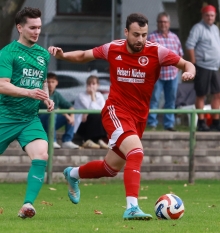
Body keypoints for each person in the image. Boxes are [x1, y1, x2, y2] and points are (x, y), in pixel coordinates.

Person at [48, 13, 195, 220]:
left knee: (110, 168)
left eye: (144, 35)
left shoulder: (157, 52)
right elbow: (83, 55)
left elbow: (187, 64)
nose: (141, 40)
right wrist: (63, 56)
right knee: (136, 152)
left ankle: (72, 174)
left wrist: (189, 72)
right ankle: (132, 207)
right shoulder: (113, 48)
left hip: (138, 118)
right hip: (115, 111)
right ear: (126, 32)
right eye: (136, 35)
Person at [0, 7, 54, 219]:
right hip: (5, 116)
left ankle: (28, 205)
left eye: (39, 27)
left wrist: (47, 98)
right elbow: (2, 85)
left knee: (41, 153)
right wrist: (28, 92)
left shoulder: (42, 54)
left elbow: (41, 83)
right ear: (19, 27)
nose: (36, 32)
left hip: (29, 119)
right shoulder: (7, 53)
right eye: (32, 28)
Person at [185, 4, 220, 131]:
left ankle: (216, 122)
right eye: (207, 15)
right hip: (203, 66)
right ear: (203, 15)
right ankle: (201, 122)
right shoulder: (198, 28)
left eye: (212, 15)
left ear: (215, 16)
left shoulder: (215, 29)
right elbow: (190, 45)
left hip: (215, 67)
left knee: (217, 94)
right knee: (201, 95)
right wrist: (193, 62)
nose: (210, 17)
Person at [147, 12, 184, 131]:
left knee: (171, 100)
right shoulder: (151, 37)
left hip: (172, 75)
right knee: (154, 100)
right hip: (157, 75)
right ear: (157, 23)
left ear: (169, 23)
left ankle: (169, 124)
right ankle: (152, 123)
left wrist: (178, 68)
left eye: (165, 22)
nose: (163, 24)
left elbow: (180, 54)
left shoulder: (174, 37)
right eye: (161, 22)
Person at [39, 72, 79, 149]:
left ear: (56, 83)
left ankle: (67, 141)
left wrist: (72, 117)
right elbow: (51, 108)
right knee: (52, 114)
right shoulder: (41, 93)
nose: (50, 84)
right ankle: (52, 141)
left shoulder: (57, 94)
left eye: (52, 82)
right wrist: (66, 115)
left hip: (53, 121)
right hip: (40, 121)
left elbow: (70, 107)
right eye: (48, 82)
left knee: (72, 114)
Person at [74, 75, 108, 149]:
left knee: (101, 116)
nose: (91, 86)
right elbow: (93, 109)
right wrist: (92, 95)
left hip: (94, 122)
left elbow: (102, 110)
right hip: (82, 124)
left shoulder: (100, 96)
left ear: (98, 85)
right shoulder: (81, 96)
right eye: (89, 84)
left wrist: (87, 112)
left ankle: (98, 140)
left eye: (93, 84)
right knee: (94, 115)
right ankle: (87, 140)